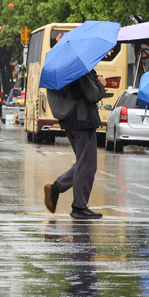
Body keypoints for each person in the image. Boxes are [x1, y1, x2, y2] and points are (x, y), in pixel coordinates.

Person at [43, 70, 107, 220]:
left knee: (84, 163)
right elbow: (92, 95)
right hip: (82, 120)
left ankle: (56, 188)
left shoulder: (64, 70)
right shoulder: (81, 70)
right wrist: (101, 85)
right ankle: (79, 207)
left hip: (70, 121)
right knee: (87, 165)